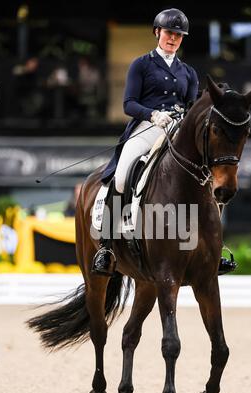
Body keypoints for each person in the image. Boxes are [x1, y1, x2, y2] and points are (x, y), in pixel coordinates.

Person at [93, 8, 234, 277]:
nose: (173, 38)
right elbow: (128, 104)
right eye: (169, 32)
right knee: (122, 177)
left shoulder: (188, 72)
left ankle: (215, 247)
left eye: (178, 35)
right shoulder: (141, 65)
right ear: (158, 32)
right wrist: (152, 114)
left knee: (206, 179)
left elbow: (192, 106)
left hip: (179, 131)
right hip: (148, 126)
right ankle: (107, 248)